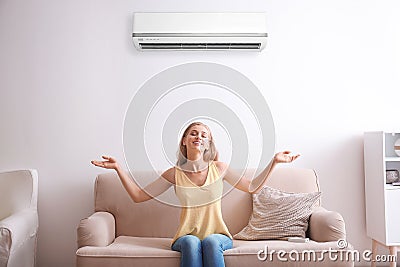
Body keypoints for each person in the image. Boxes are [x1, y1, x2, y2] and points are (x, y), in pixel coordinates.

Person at [91, 121, 299, 267]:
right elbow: (137, 195)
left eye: (203, 134)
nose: (198, 136)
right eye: (193, 133)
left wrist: (274, 162)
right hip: (185, 236)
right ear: (184, 141)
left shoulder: (219, 168)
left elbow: (252, 187)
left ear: (208, 143)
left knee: (209, 242)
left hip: (219, 236)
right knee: (191, 242)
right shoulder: (174, 173)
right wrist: (118, 168)